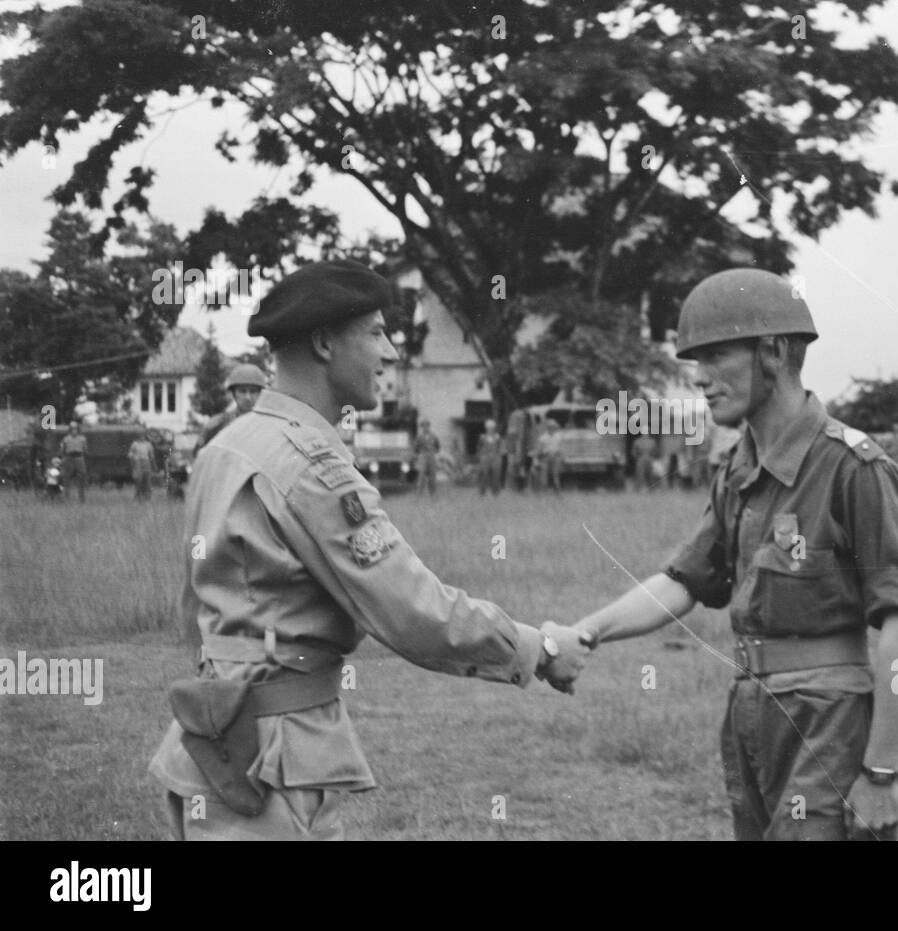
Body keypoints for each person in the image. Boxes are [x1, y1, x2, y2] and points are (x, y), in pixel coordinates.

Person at [148, 260, 590, 841]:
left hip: (207, 742)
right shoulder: (312, 468)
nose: (390, 353)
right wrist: (540, 646)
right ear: (326, 343)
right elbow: (413, 613)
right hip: (272, 765)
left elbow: (196, 608)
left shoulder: (224, 448)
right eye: (376, 333)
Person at [566, 268, 898, 841]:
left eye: (715, 356)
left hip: (827, 725)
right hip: (752, 713)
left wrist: (881, 772)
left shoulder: (855, 469)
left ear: (773, 351)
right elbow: (684, 581)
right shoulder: (738, 471)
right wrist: (586, 632)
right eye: (695, 361)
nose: (700, 378)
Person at [197, 364, 268, 453]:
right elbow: (199, 456)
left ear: (260, 394)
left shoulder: (268, 426)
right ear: (234, 393)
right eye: (242, 391)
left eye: (253, 391)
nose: (248, 397)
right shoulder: (218, 424)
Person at [58, 421, 88, 503]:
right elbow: (62, 450)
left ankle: (82, 499)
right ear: (70, 430)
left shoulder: (82, 438)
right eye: (72, 429)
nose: (74, 431)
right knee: (66, 479)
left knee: (81, 478)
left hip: (79, 458)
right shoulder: (66, 439)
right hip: (69, 458)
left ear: (78, 429)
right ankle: (66, 498)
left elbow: (85, 450)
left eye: (76, 429)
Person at [532, 418, 563, 493]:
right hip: (545, 457)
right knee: (544, 475)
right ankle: (543, 491)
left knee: (556, 475)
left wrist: (562, 457)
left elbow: (561, 447)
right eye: (550, 427)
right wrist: (535, 460)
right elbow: (538, 450)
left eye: (554, 427)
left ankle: (557, 492)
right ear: (548, 427)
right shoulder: (543, 438)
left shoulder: (559, 436)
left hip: (556, 457)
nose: (552, 428)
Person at [413, 419, 440, 496]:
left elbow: (438, 447)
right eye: (423, 426)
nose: (425, 428)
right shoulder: (419, 437)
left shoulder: (434, 436)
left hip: (431, 456)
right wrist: (421, 453)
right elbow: (415, 447)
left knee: (432, 475)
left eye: (427, 426)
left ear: (429, 427)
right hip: (423, 456)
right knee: (421, 475)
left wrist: (432, 452)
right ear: (422, 428)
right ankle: (419, 492)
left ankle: (433, 492)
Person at [478, 419, 503, 496]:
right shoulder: (482, 437)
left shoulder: (497, 437)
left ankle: (495, 491)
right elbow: (479, 447)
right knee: (484, 474)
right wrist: (481, 456)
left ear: (494, 428)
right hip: (485, 457)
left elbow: (500, 447)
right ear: (486, 428)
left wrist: (499, 455)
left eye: (492, 427)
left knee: (496, 474)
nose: (490, 429)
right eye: (489, 427)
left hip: (495, 457)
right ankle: (482, 491)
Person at [128, 433, 156, 501]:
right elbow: (130, 454)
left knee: (147, 480)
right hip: (138, 462)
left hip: (146, 461)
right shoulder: (135, 444)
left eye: (143, 436)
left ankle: (148, 497)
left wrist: (154, 465)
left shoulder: (148, 444)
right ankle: (138, 496)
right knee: (138, 480)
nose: (142, 437)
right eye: (140, 436)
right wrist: (133, 463)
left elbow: (151, 455)